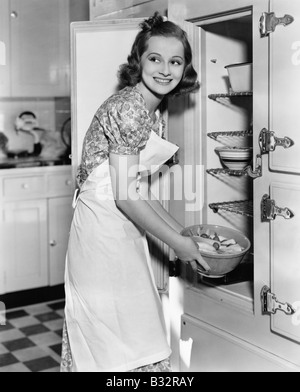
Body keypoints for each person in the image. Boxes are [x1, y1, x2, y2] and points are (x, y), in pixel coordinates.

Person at [61, 12, 210, 373]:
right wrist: (177, 244)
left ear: (185, 68)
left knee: (130, 329)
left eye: (175, 61)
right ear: (137, 61)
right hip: (103, 228)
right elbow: (125, 195)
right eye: (154, 58)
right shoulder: (129, 108)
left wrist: (183, 234)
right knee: (114, 335)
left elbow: (136, 188)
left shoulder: (151, 109)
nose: (165, 69)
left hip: (121, 222)